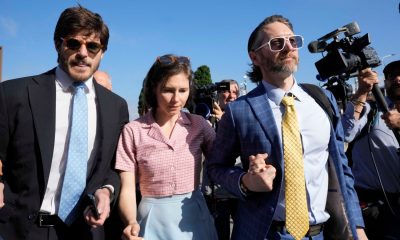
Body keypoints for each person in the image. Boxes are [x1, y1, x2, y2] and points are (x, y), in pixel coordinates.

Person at [206, 15, 367, 240]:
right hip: (264, 233)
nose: (288, 47)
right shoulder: (239, 110)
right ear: (255, 57)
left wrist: (357, 226)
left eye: (293, 41)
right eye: (276, 43)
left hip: (320, 233)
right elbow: (216, 167)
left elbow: (342, 169)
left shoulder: (322, 99)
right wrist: (245, 181)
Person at [0, 6, 129, 240]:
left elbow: (113, 168)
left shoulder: (116, 106)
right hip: (23, 230)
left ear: (102, 51)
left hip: (87, 231)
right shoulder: (13, 94)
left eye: (92, 46)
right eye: (73, 43)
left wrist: (106, 191)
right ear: (58, 45)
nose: (83, 53)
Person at [115, 54, 218, 240]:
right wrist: (130, 222)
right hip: (151, 218)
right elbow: (128, 188)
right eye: (168, 90)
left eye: (183, 90)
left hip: (193, 215)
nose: (176, 99)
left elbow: (222, 159)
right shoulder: (133, 131)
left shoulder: (199, 125)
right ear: (154, 89)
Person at [341, 62, 400, 239]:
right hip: (375, 207)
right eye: (392, 76)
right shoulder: (372, 109)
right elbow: (344, 132)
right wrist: (362, 92)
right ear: (386, 81)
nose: (398, 79)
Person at [202, 79, 240, 240]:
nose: (231, 95)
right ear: (217, 94)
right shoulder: (206, 120)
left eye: (235, 92)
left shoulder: (244, 117)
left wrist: (226, 121)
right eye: (226, 91)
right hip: (216, 194)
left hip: (241, 190)